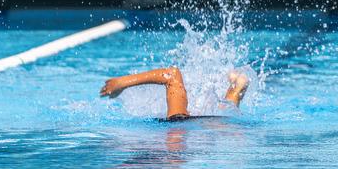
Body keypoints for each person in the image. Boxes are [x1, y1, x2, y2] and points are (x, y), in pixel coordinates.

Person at [100, 67, 249, 121]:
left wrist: (122, 83)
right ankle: (236, 87)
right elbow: (171, 74)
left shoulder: (177, 122)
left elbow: (172, 73)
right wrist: (123, 83)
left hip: (212, 129)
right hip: (213, 126)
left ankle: (236, 87)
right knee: (225, 113)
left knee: (226, 112)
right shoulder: (177, 121)